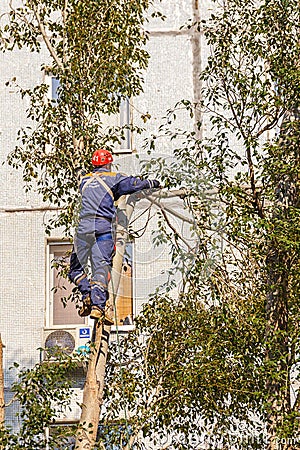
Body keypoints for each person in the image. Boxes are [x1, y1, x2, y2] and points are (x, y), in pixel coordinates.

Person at [68, 148, 160, 324]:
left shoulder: (84, 181)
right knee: (100, 269)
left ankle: (86, 294)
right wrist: (152, 183)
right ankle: (97, 306)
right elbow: (133, 185)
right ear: (108, 163)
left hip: (83, 230)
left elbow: (93, 189)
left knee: (75, 269)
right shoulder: (114, 178)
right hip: (102, 229)